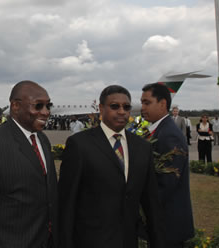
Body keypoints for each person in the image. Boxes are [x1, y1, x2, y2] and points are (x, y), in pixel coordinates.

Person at [59, 85, 164, 248]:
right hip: (90, 241)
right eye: (115, 106)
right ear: (101, 108)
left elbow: (151, 202)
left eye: (126, 107)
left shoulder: (142, 147)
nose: (122, 111)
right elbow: (66, 204)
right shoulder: (79, 145)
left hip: (128, 240)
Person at [0, 81, 58, 248]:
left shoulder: (42, 139)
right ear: (15, 106)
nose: (46, 112)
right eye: (38, 106)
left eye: (48, 106)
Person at [141, 83, 194, 247]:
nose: (142, 107)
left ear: (163, 104)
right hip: (163, 223)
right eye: (142, 102)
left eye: (147, 102)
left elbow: (166, 183)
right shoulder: (160, 130)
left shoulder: (169, 135)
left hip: (168, 224)